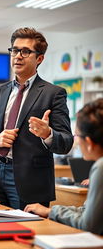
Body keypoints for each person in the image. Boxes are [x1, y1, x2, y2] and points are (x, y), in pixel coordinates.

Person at [0, 27, 73, 210]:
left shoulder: (54, 93)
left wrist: (47, 134)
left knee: (25, 233)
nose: (18, 56)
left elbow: (66, 143)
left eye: (25, 51)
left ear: (39, 58)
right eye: (15, 50)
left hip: (31, 183)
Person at [24, 98, 103, 235]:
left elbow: (88, 224)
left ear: (89, 142)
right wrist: (51, 211)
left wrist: (52, 212)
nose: (76, 140)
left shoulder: (100, 168)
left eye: (77, 135)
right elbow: (89, 213)